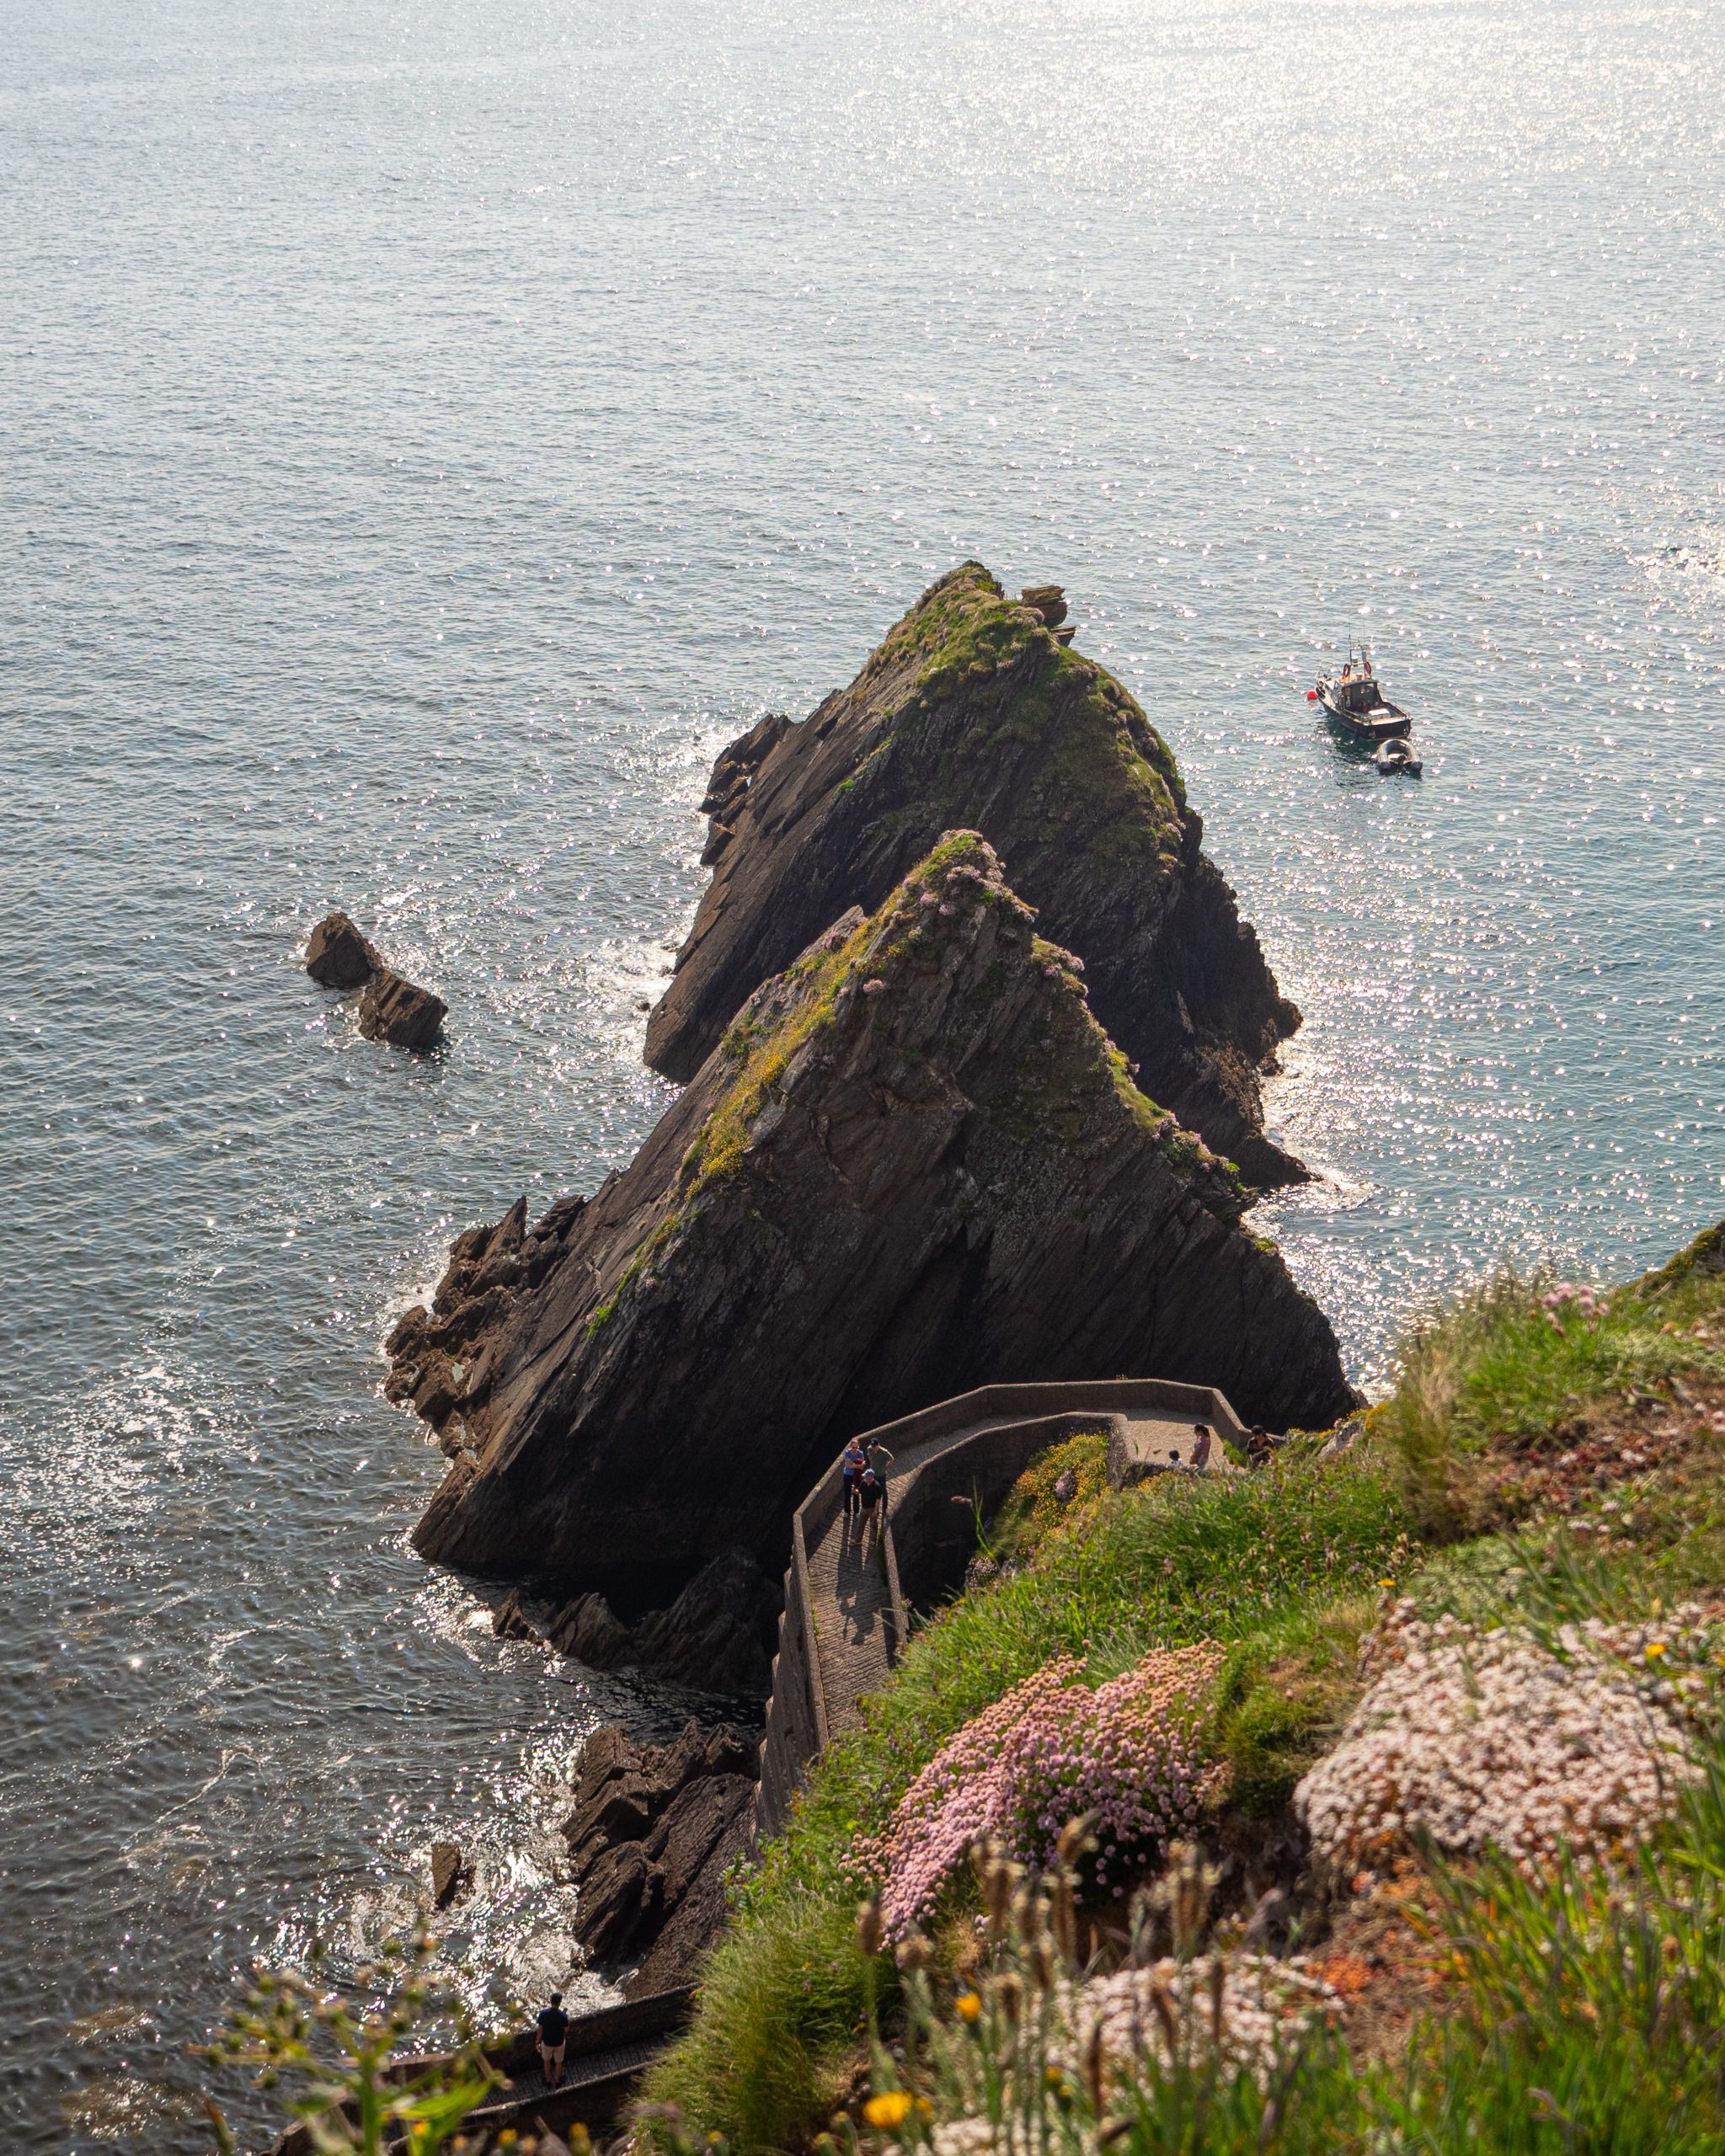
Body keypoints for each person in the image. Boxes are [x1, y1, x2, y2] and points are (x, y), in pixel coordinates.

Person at [537, 1992, 570, 2086]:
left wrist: (537, 2042)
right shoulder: (563, 2016)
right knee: (559, 2062)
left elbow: (540, 2030)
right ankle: (557, 2080)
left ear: (550, 2001)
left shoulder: (543, 2014)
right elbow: (566, 2030)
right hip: (559, 2042)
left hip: (547, 2042)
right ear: (560, 2003)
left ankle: (547, 2080)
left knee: (546, 2061)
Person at [841, 1439, 868, 1523]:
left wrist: (856, 1465)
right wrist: (858, 1466)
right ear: (850, 1446)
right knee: (847, 1493)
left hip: (856, 1476)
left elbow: (862, 1466)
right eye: (853, 1447)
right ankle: (847, 1511)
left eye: (857, 1447)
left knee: (856, 1493)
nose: (855, 1449)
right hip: (848, 1475)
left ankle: (856, 1512)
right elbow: (849, 1466)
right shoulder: (847, 1453)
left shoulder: (860, 1453)